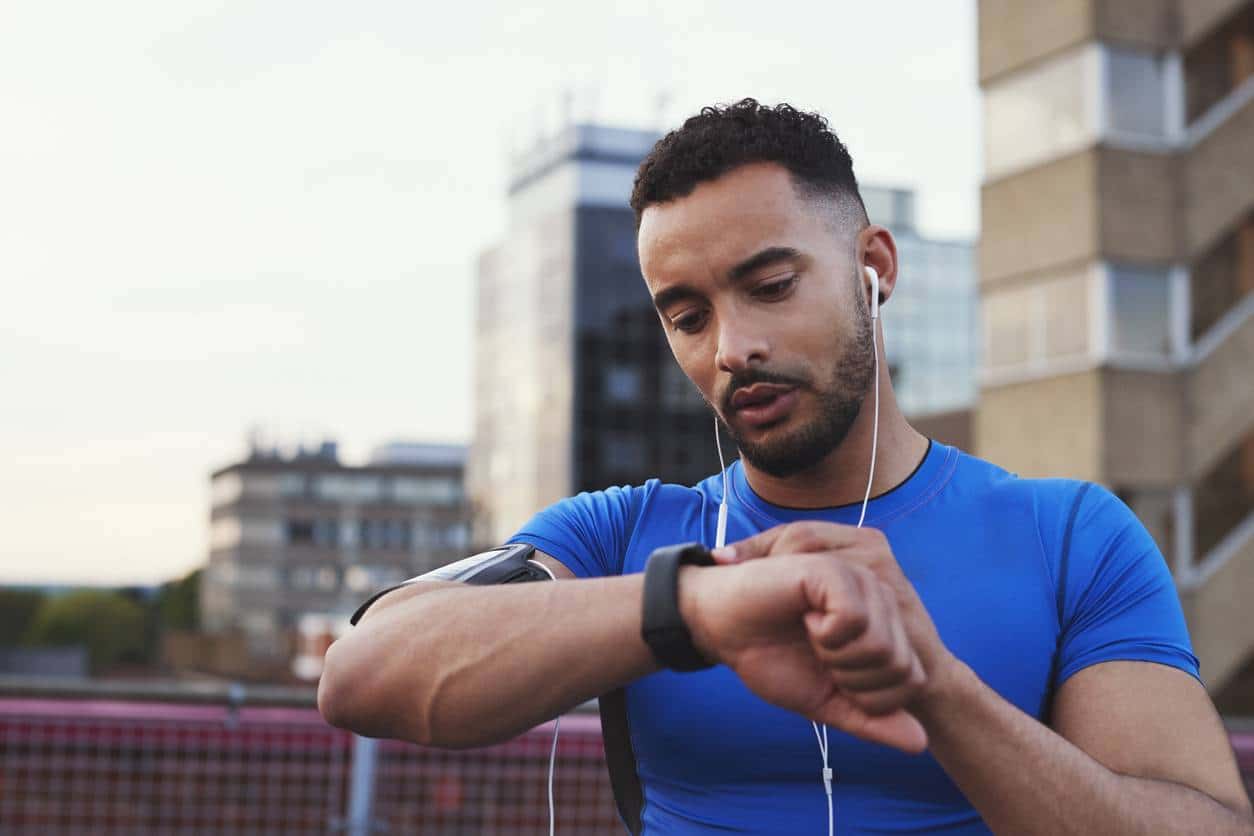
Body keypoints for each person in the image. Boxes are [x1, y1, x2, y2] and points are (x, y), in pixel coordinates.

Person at [318, 99, 1254, 834]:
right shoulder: (626, 534)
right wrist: (693, 605)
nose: (732, 347)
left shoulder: (1069, 536)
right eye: (688, 316)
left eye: (770, 286)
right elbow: (363, 675)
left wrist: (936, 686)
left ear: (874, 268)